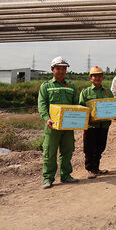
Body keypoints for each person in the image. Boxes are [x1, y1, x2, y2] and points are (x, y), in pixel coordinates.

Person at [37, 56, 79, 189]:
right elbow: (42, 105)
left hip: (68, 126)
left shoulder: (71, 87)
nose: (61, 71)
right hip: (52, 126)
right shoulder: (46, 86)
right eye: (58, 68)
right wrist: (47, 118)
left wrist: (78, 119)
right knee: (49, 152)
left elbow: (76, 105)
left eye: (64, 68)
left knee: (67, 151)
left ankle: (66, 175)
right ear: (52, 69)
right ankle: (48, 178)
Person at [79, 66, 114, 179]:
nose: (97, 78)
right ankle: (90, 169)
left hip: (103, 125)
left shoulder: (108, 92)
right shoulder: (85, 92)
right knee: (89, 148)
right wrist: (88, 117)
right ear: (90, 78)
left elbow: (113, 107)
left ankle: (96, 168)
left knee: (100, 147)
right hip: (91, 126)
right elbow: (81, 108)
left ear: (102, 77)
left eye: (99, 75)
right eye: (95, 76)